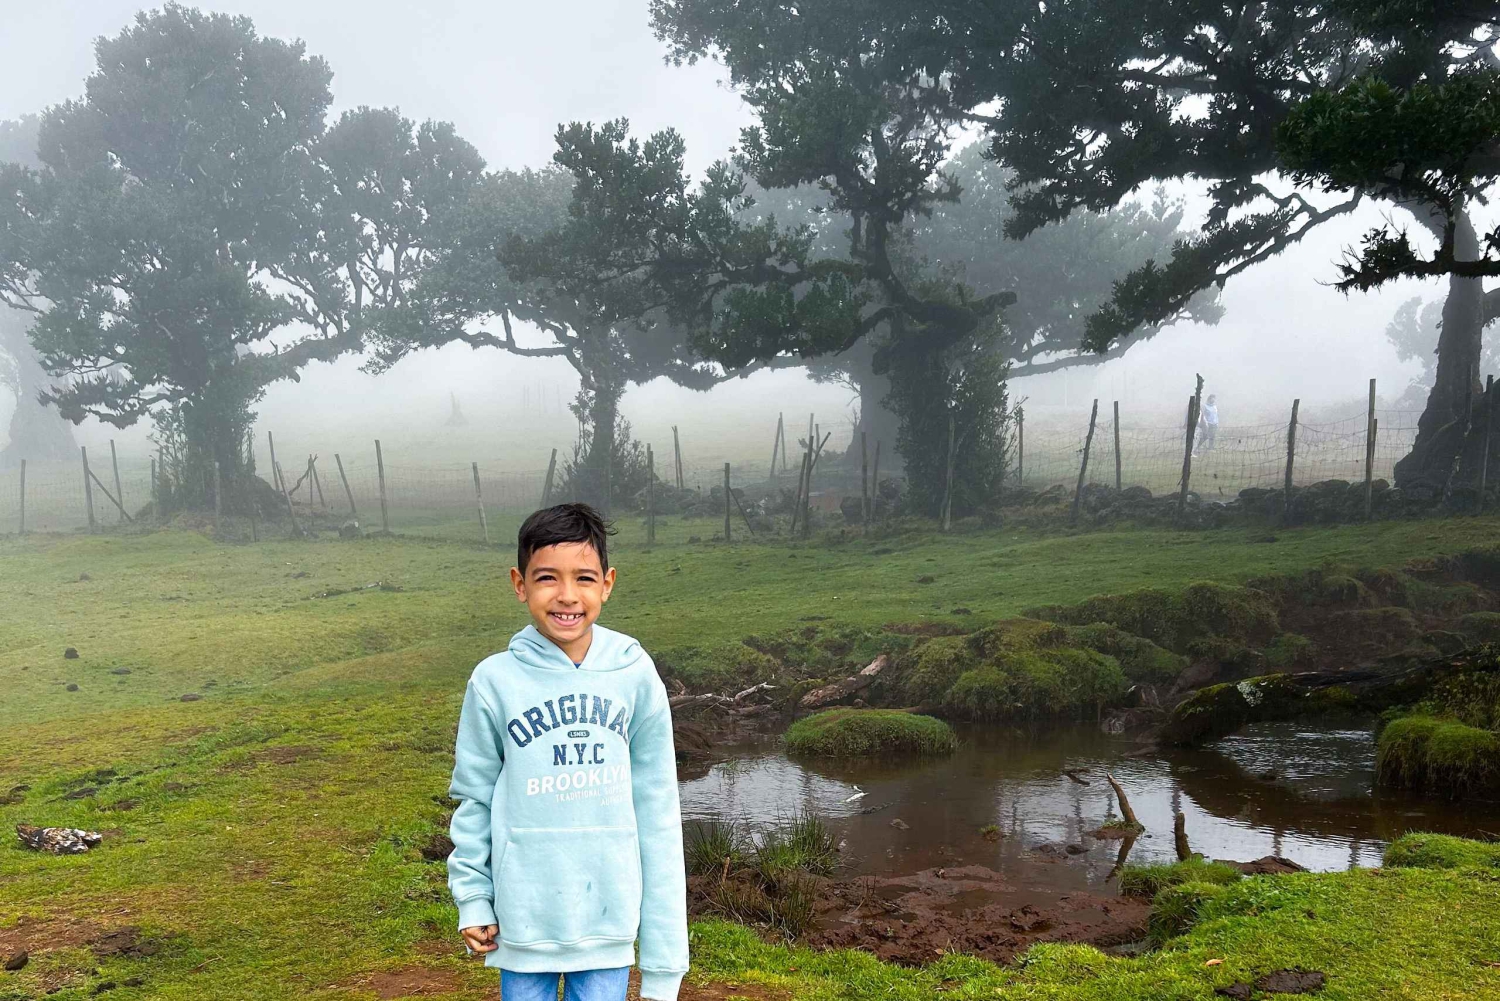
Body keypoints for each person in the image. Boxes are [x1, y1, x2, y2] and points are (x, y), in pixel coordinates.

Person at [447, 503, 687, 1001]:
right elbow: (474, 800)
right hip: (522, 925)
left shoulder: (635, 674)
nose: (567, 596)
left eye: (583, 577)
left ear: (607, 583)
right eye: (547, 578)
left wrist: (664, 965)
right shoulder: (493, 682)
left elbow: (659, 813)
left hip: (608, 927)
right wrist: (474, 899)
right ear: (519, 584)